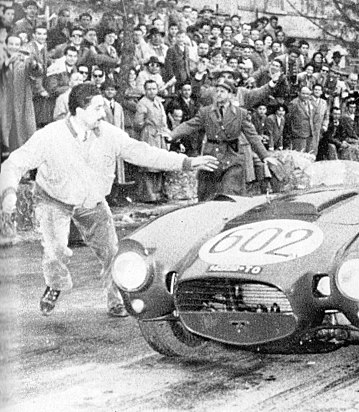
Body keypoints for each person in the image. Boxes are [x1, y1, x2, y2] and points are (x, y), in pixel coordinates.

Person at [0, 83, 219, 317]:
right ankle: (56, 284)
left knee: (112, 254)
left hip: (92, 202)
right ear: (78, 111)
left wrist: (186, 162)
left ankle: (115, 299)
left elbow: (142, 152)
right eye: (97, 109)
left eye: (103, 107)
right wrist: (9, 193)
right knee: (55, 252)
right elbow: (13, 164)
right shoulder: (49, 136)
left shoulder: (109, 133)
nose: (103, 114)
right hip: (54, 199)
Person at [170, 78, 281, 201]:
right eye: (217, 91)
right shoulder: (205, 112)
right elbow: (189, 125)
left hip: (232, 157)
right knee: (207, 197)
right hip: (211, 158)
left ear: (231, 94)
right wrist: (172, 135)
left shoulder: (240, 114)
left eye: (222, 91)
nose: (218, 94)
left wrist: (264, 156)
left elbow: (252, 136)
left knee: (231, 195)